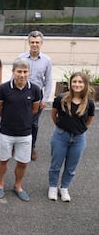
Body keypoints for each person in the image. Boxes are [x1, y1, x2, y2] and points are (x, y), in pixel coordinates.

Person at [0, 58, 41, 202]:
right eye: (19, 71)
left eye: (25, 71)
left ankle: (18, 186)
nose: (22, 74)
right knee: (3, 160)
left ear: (29, 73)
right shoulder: (3, 89)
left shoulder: (35, 90)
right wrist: (8, 118)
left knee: (23, 162)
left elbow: (34, 109)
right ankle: (0, 185)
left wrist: (23, 120)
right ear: (13, 72)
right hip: (6, 132)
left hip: (25, 133)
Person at [48, 72, 95, 202]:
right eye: (74, 81)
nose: (77, 84)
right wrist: (59, 126)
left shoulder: (89, 103)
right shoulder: (61, 99)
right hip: (60, 136)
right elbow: (54, 114)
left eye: (80, 82)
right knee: (55, 164)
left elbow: (89, 119)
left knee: (71, 167)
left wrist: (80, 129)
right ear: (70, 83)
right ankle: (52, 186)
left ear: (85, 85)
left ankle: (64, 188)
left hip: (79, 139)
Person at [17, 30, 52, 161]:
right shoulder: (21, 58)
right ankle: (18, 144)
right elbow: (13, 76)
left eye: (37, 42)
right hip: (21, 93)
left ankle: (31, 147)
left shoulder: (47, 60)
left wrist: (45, 99)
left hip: (37, 96)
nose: (34, 45)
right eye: (32, 42)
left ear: (41, 43)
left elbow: (48, 81)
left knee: (33, 124)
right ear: (29, 43)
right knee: (20, 120)